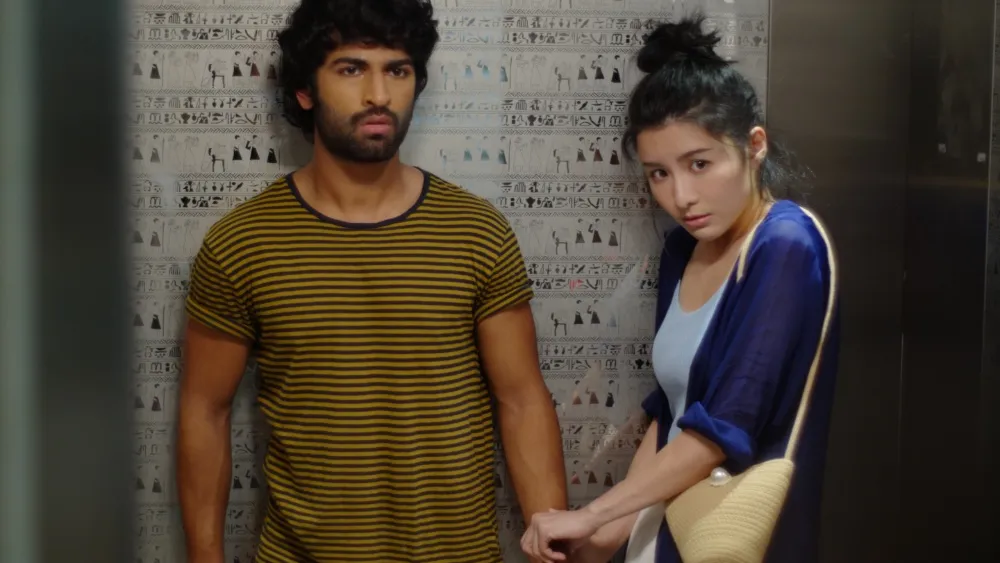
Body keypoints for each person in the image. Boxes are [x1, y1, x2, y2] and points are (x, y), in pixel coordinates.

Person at [175, 1, 568, 562]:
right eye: (351, 68)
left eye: (397, 70)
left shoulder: (475, 231)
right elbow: (204, 413)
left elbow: (523, 400)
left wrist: (552, 547)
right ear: (305, 90)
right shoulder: (242, 243)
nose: (379, 94)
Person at [520, 13, 840, 563]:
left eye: (699, 163)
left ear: (754, 145)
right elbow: (672, 415)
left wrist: (591, 513)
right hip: (660, 539)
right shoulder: (681, 250)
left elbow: (720, 431)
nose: (681, 196)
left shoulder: (785, 245)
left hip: (731, 539)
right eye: (659, 173)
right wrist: (604, 538)